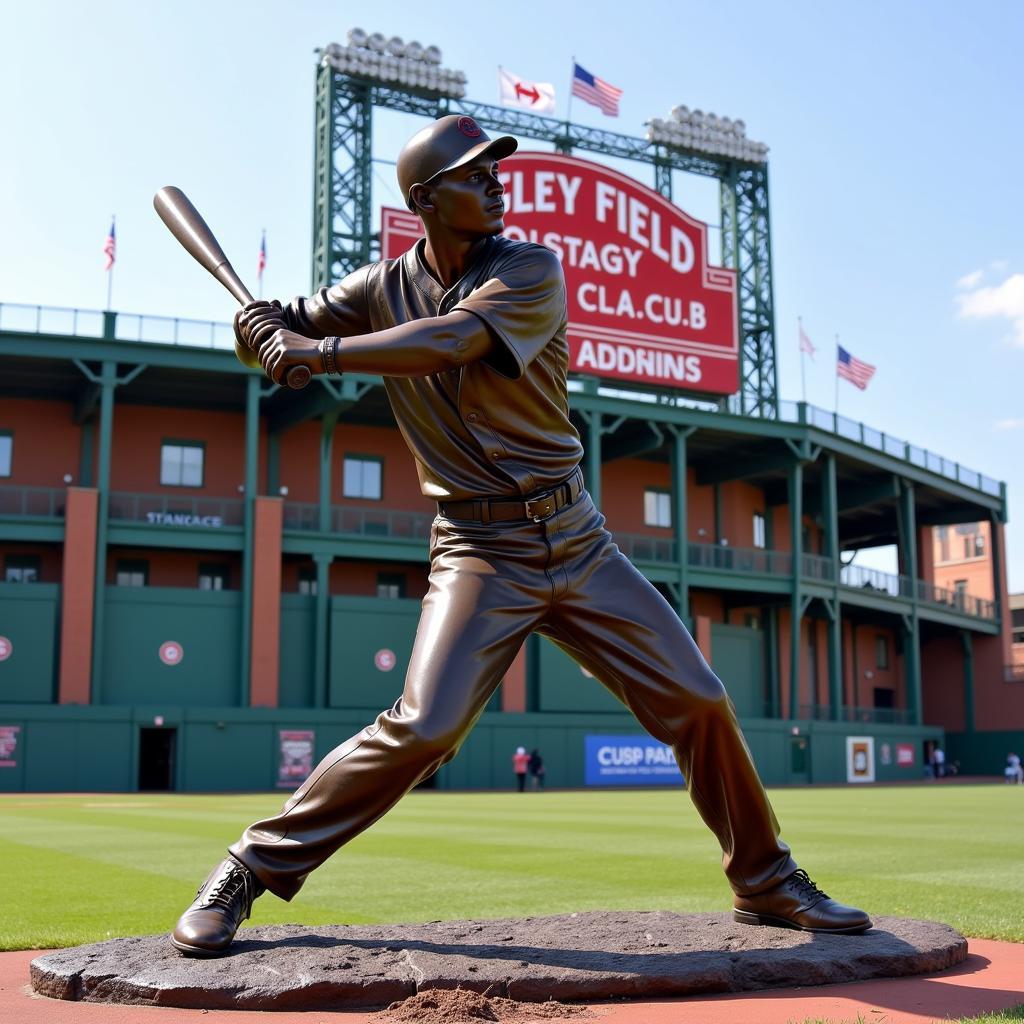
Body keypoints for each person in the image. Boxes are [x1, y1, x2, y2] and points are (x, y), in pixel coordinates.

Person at [171, 115, 871, 957]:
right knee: (424, 727)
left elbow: (451, 340)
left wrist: (314, 352)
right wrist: (260, 332)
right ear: (426, 201)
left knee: (700, 701)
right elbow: (281, 329)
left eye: (495, 169)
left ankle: (766, 879)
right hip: (477, 551)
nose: (498, 182)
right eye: (476, 175)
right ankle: (247, 869)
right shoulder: (375, 288)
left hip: (576, 538)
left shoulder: (529, 266)